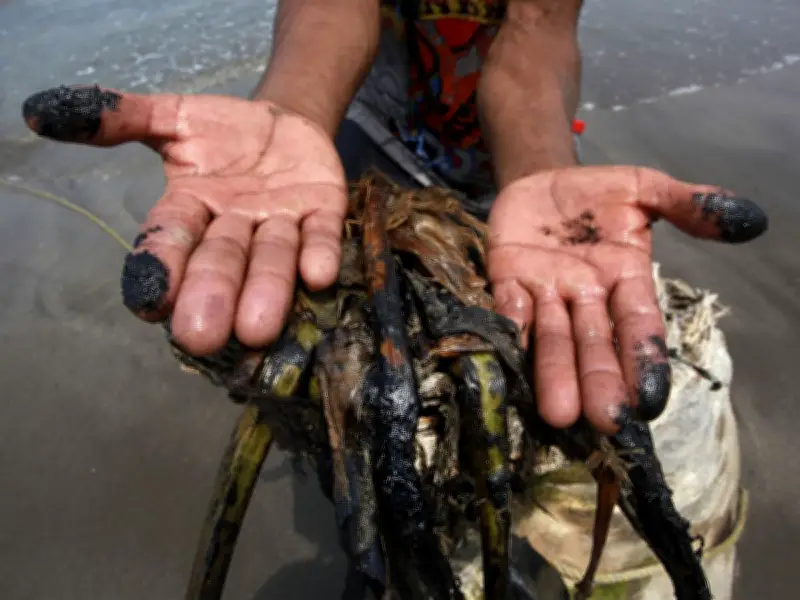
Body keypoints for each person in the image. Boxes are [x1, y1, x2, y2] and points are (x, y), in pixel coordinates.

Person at [22, 0, 767, 438]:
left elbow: (535, 36)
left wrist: (541, 175)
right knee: (323, 340)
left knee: (515, 354)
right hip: (357, 124)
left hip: (496, 153)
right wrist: (293, 114)